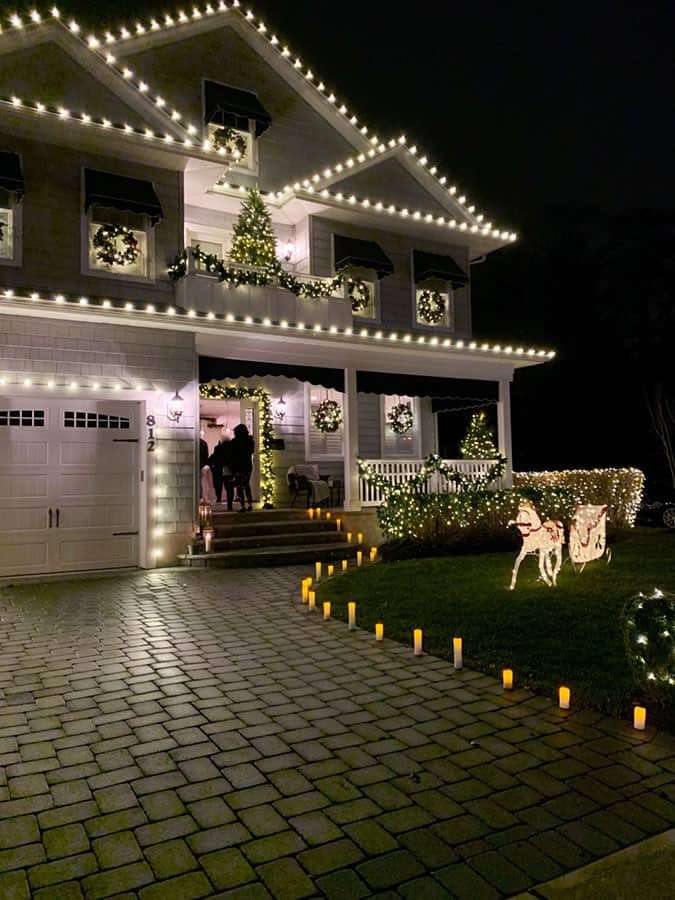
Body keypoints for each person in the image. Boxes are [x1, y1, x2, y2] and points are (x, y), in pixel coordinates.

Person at [230, 423, 255, 512]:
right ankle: (250, 504)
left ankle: (242, 505)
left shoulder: (234, 442)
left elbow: (232, 455)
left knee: (239, 486)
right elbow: (251, 451)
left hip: (238, 466)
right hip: (247, 465)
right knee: (246, 484)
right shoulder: (250, 441)